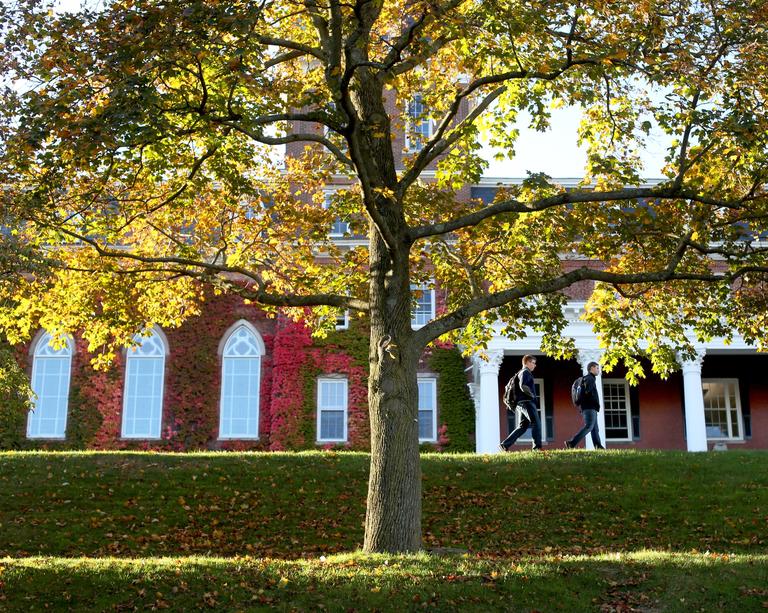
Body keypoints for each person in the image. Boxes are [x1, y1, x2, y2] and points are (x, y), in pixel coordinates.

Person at [499, 355, 543, 451]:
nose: (534, 365)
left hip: (521, 403)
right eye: (533, 363)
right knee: (536, 423)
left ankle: (505, 444)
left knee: (523, 426)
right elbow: (523, 385)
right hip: (526, 402)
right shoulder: (525, 372)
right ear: (527, 362)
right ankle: (537, 448)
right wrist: (531, 396)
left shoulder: (520, 373)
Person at [565, 361, 606, 449]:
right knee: (589, 426)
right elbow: (587, 391)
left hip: (590, 407)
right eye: (597, 368)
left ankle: (598, 446)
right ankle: (571, 443)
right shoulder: (589, 378)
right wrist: (593, 402)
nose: (599, 370)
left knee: (594, 429)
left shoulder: (589, 378)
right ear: (592, 368)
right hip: (589, 407)